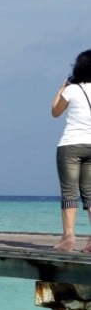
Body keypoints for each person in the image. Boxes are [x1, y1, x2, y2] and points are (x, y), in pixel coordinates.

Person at [51, 49, 91, 253]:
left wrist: (61, 89)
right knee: (90, 193)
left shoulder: (72, 90)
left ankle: (68, 237)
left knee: (69, 193)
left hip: (71, 144)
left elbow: (55, 112)